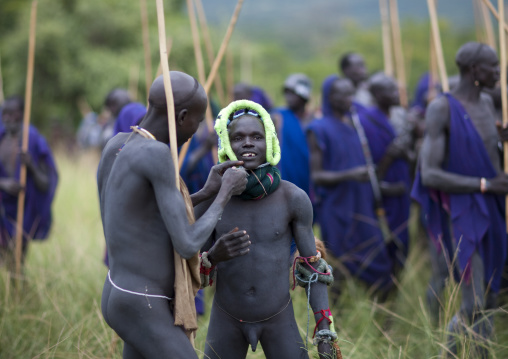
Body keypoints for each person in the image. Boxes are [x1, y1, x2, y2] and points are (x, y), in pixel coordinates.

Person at [98, 72, 249, 358]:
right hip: (143, 300)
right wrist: (225, 193)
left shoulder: (116, 144)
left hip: (118, 292)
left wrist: (206, 192)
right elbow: (187, 242)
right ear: (181, 116)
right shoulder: (157, 155)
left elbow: (146, 216)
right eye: (197, 119)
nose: (196, 129)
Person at [197, 100, 338, 359]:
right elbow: (186, 260)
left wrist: (324, 334)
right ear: (226, 145)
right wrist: (213, 257)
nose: (248, 143)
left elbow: (313, 269)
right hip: (226, 318)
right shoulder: (215, 199)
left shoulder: (292, 198)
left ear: (271, 142)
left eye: (257, 137)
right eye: (238, 137)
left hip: (278, 318)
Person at [411, 42, 508, 357]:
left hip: (494, 209)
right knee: (474, 301)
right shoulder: (443, 107)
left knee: (491, 298)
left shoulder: (489, 103)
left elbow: (485, 155)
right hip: (463, 213)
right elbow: (429, 174)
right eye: (493, 67)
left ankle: (475, 352)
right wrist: (483, 185)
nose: (498, 72)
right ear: (474, 69)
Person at [307, 75, 395, 296]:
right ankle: (335, 320)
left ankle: (383, 318)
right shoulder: (317, 128)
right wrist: (351, 175)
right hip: (336, 209)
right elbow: (317, 176)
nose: (349, 99)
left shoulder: (355, 125)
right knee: (338, 265)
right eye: (343, 94)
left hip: (361, 205)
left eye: (351, 93)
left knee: (378, 259)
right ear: (330, 97)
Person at [0, 95, 58, 270]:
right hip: (2, 213)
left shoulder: (33, 141)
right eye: (5, 114)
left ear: (23, 115)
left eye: (13, 114)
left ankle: (18, 293)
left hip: (22, 215)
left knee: (17, 264)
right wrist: (3, 184)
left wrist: (31, 165)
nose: (8, 119)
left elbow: (46, 184)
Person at [365, 73, 412, 267]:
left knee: (404, 238)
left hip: (402, 187)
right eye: (391, 90)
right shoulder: (366, 121)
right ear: (377, 94)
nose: (396, 93)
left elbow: (411, 155)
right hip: (380, 191)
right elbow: (368, 160)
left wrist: (405, 153)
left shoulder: (400, 116)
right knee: (384, 239)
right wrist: (389, 157)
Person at [272, 73, 313, 196]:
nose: (288, 97)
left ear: (303, 96)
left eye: (293, 93)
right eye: (287, 93)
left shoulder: (313, 120)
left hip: (307, 176)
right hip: (284, 177)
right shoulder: (278, 116)